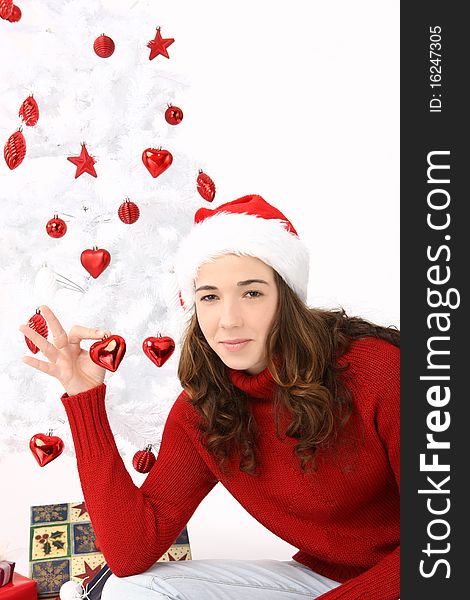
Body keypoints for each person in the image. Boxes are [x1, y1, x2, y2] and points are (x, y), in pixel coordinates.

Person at [19, 195, 400, 600]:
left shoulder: (378, 370)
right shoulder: (204, 409)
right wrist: (85, 399)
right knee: (128, 589)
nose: (228, 319)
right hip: (320, 581)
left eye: (251, 293)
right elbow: (131, 553)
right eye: (210, 297)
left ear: (286, 298)